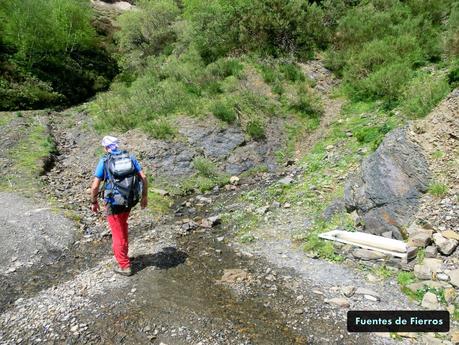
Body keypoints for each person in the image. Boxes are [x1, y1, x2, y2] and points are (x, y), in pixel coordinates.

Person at [90, 136, 148, 276]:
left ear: (105, 148)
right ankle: (124, 256)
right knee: (123, 226)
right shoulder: (130, 157)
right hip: (129, 200)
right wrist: (144, 196)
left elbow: (95, 186)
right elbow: (144, 178)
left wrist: (93, 202)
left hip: (114, 203)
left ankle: (124, 265)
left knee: (117, 232)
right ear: (117, 145)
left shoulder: (105, 160)